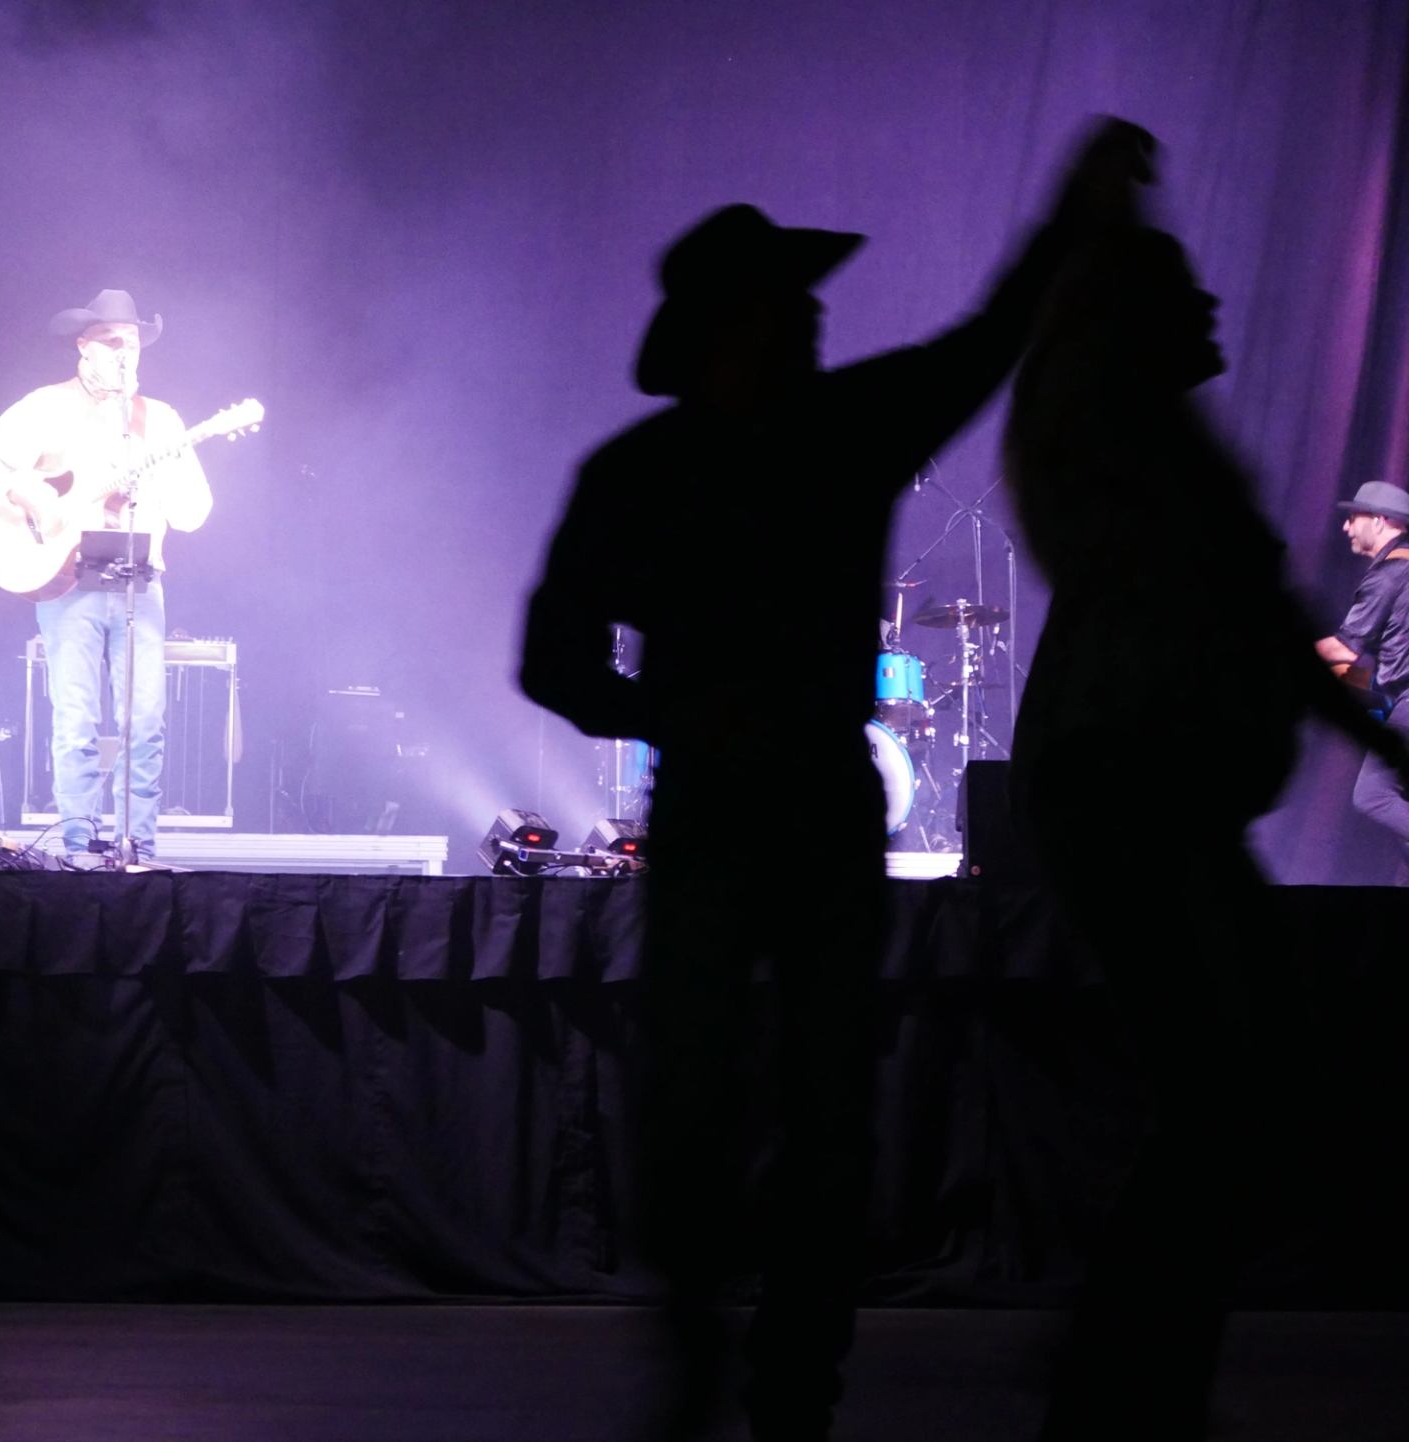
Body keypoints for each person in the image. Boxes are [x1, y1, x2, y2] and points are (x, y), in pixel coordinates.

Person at [519, 119, 1154, 1442]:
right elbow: (552, 659)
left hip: (754, 805)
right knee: (792, 1098)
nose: (814, 318)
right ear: (728, 326)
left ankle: (746, 1372)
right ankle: (765, 1378)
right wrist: (683, 715)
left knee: (770, 1093)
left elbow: (553, 658)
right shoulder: (803, 441)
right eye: (789, 305)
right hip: (769, 806)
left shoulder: (665, 465)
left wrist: (672, 715)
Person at [1006, 212, 1409, 1440]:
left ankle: (1130, 1372)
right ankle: (1123, 1377)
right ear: (1132, 324)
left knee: (1241, 1088)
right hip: (1132, 803)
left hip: (1159, 806)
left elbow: (1274, 631)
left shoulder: (1167, 454)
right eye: (1185, 294)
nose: (1214, 312)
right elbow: (1263, 625)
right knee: (1235, 1086)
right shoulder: (1124, 451)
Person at [0, 289, 212, 862]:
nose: (125, 353)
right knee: (76, 720)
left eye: (134, 343)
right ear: (85, 345)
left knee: (145, 720)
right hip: (69, 578)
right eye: (113, 341)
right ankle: (78, 842)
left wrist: (166, 474)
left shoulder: (161, 420)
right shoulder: (45, 406)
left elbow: (196, 515)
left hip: (139, 581)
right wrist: (35, 497)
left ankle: (137, 845)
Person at [1314, 479, 1409, 880]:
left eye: (1354, 517)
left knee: (1372, 796)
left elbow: (1344, 649)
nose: (1346, 527)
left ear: (1381, 519)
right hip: (1399, 698)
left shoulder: (1390, 572)